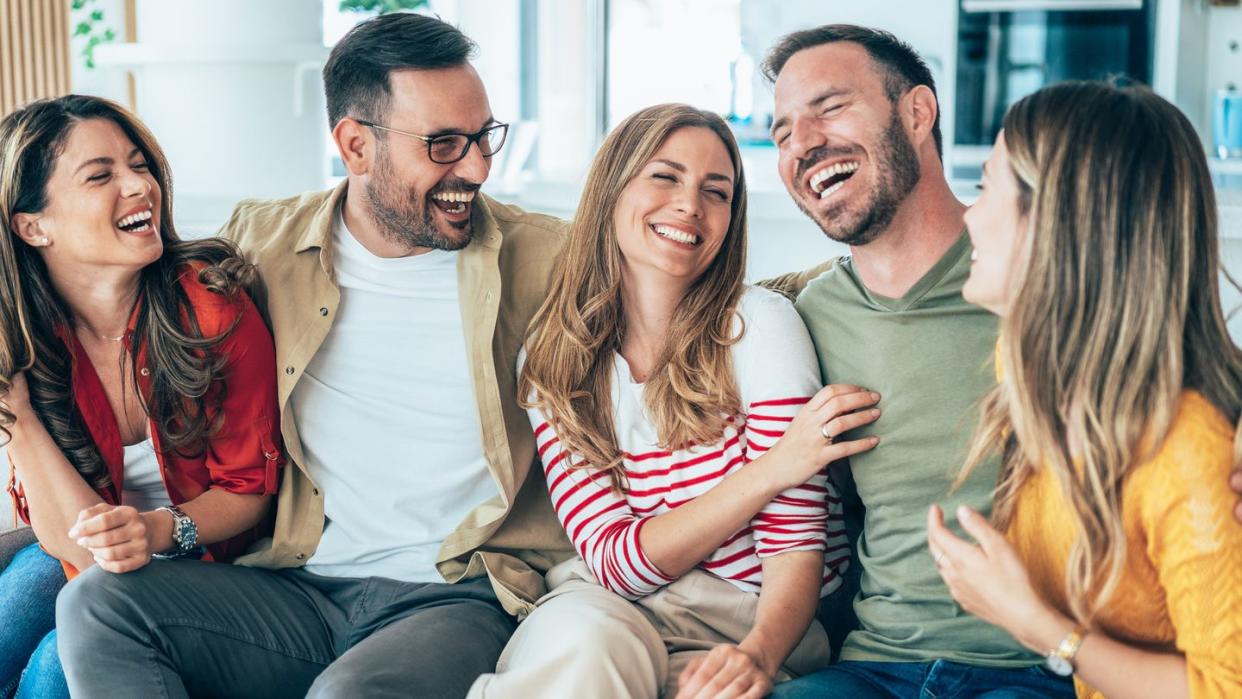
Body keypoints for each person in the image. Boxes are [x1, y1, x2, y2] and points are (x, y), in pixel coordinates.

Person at [54, 13, 575, 699]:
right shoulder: (260, 241)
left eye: (484, 138)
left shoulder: (549, 259)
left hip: (449, 595)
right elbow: (120, 296)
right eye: (445, 144)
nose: (475, 168)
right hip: (296, 584)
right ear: (355, 145)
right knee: (94, 603)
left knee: (347, 694)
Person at [468, 103, 881, 699]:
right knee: (582, 657)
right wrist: (774, 466)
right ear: (612, 189)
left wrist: (759, 658)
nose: (691, 204)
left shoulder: (758, 326)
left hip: (744, 621)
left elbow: (795, 547)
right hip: (603, 606)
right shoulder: (551, 356)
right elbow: (613, 563)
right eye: (665, 176)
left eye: (717, 192)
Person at [760, 25, 1077, 697]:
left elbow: (1180, 358)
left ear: (916, 113)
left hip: (1038, 667)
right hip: (874, 665)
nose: (804, 143)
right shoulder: (802, 317)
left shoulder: (1037, 271)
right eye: (783, 132)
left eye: (831, 106)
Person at [927, 81, 1242, 698]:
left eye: (987, 185)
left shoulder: (1185, 450)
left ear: (1055, 224)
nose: (968, 212)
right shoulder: (1041, 376)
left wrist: (1039, 626)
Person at [0, 95, 283, 699]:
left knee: (60, 660)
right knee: (17, 604)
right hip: (92, 560)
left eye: (139, 165)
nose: (140, 186)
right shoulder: (24, 341)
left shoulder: (211, 308)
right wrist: (18, 418)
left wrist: (154, 530)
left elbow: (249, 493)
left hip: (213, 566)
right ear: (33, 226)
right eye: (101, 176)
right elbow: (74, 542)